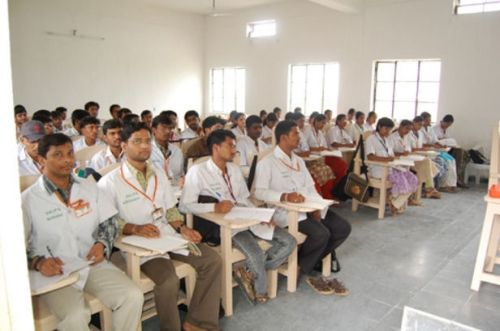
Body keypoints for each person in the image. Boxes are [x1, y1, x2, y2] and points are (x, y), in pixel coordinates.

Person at [98, 122, 222, 331]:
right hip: (141, 244)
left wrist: (183, 228)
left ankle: (197, 322)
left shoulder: (157, 173)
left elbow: (170, 209)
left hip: (168, 235)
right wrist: (135, 229)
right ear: (123, 146)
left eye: (147, 141)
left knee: (212, 260)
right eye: (137, 141)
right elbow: (108, 222)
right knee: (168, 281)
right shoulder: (109, 182)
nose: (144, 146)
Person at [22, 133, 143, 331]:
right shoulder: (28, 200)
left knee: (132, 295)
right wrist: (38, 262)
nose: (68, 160)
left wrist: (101, 244)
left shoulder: (88, 186)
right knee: (76, 316)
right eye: (58, 155)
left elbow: (110, 221)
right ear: (42, 160)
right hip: (55, 272)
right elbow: (13, 247)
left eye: (70, 153)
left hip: (90, 261)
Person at [180, 129, 296, 304]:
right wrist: (214, 206)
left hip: (248, 217)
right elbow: (184, 205)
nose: (235, 150)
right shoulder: (198, 171)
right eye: (230, 146)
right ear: (216, 147)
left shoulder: (234, 169)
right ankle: (260, 290)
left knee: (289, 241)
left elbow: (243, 198)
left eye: (235, 146)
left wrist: (262, 215)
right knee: (255, 253)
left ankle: (248, 272)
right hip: (227, 225)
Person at [254, 121, 351, 295]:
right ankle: (301, 267)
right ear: (283, 137)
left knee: (343, 228)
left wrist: (317, 208)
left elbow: (310, 187)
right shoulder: (267, 162)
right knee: (322, 234)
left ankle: (305, 261)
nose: (299, 137)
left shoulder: (298, 161)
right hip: (286, 212)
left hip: (309, 207)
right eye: (296, 134)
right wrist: (284, 196)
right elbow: (259, 193)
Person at [365, 118, 419, 215]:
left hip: (390, 167)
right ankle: (395, 203)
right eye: (386, 129)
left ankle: (395, 203)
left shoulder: (387, 139)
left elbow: (391, 155)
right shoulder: (371, 139)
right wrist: (387, 160)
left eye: (389, 129)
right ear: (379, 127)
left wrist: (394, 159)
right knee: (402, 180)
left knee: (413, 178)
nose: (388, 132)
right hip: (379, 169)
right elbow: (370, 156)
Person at [420, 112, 459, 192]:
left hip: (436, 150)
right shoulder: (421, 130)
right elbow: (422, 144)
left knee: (452, 160)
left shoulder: (430, 129)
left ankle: (451, 184)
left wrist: (440, 144)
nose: (429, 122)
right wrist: (434, 145)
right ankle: (443, 185)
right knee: (446, 162)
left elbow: (435, 140)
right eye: (427, 120)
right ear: (422, 121)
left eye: (430, 120)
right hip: (428, 151)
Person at [406, 117, 443, 199]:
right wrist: (419, 149)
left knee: (428, 163)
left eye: (421, 125)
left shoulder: (420, 133)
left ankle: (429, 188)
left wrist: (424, 149)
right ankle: (430, 188)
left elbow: (421, 145)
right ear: (414, 122)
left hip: (419, 156)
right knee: (427, 163)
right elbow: (408, 148)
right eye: (419, 124)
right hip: (410, 158)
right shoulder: (408, 133)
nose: (420, 127)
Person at [432, 114, 468, 187]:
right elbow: (434, 141)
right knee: (454, 158)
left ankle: (458, 179)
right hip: (438, 150)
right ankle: (452, 182)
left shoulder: (448, 129)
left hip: (448, 148)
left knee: (463, 152)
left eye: (449, 125)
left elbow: (449, 139)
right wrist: (443, 141)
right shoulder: (434, 129)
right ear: (443, 121)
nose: (448, 126)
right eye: (447, 124)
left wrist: (448, 142)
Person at [150, 114, 185, 186]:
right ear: (154, 130)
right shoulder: (147, 151)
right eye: (163, 128)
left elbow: (181, 175)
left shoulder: (177, 151)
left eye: (170, 128)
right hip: (155, 192)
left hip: (176, 192)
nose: (167, 131)